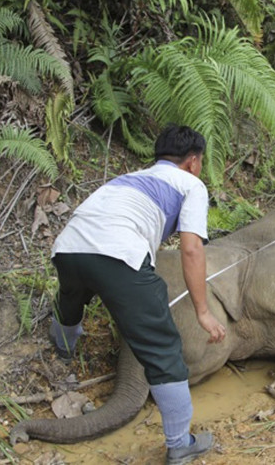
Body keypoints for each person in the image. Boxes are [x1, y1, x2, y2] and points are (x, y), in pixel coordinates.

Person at [47, 124, 225, 464]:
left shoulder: (128, 179)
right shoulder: (191, 184)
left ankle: (62, 353)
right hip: (118, 256)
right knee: (163, 349)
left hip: (68, 248)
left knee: (70, 300)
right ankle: (180, 444)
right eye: (199, 162)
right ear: (192, 161)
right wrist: (202, 311)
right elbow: (191, 250)